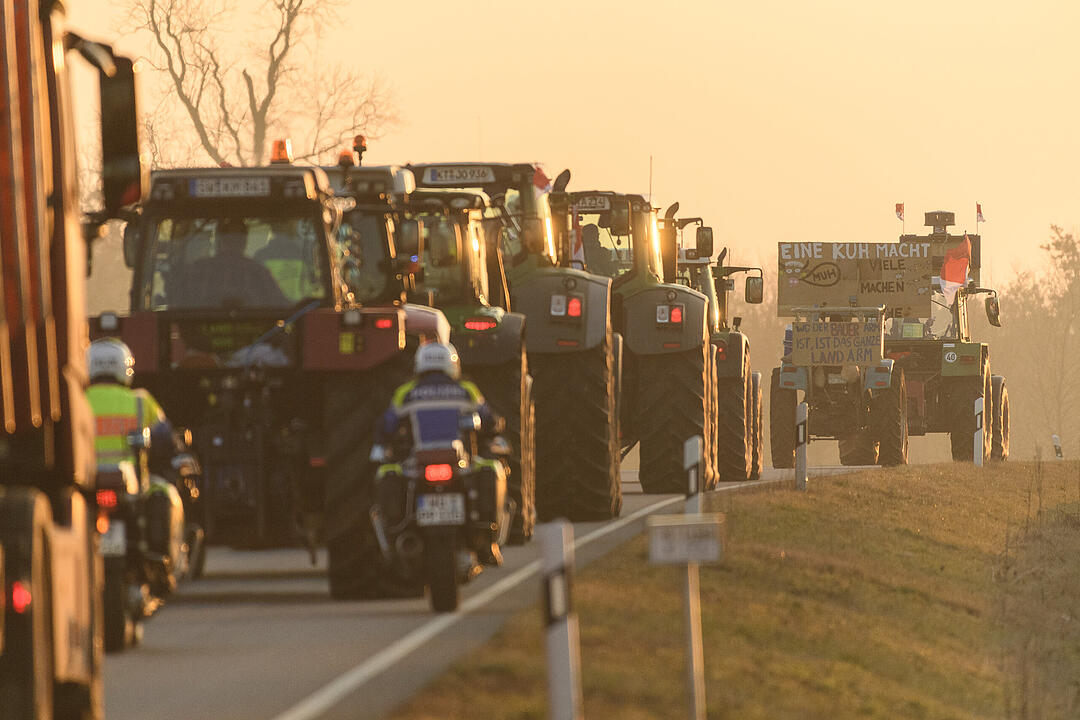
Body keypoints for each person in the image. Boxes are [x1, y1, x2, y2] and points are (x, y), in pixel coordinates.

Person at [86, 338, 184, 581]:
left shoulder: (78, 400)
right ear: (125, 367)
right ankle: (167, 564)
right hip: (133, 486)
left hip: (87, 485)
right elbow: (166, 441)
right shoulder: (141, 401)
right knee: (165, 492)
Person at [172, 217, 289, 308]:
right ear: (245, 241)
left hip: (197, 338)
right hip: (256, 337)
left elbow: (177, 304)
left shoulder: (197, 270)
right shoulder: (258, 272)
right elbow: (282, 306)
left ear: (219, 240)